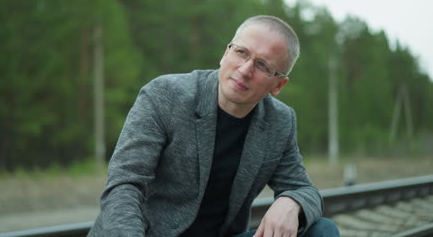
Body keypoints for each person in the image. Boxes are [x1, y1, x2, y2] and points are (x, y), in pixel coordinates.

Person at [89, 15, 339, 237]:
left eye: (263, 65)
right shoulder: (166, 95)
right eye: (241, 52)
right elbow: (124, 185)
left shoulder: (280, 121)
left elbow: (303, 188)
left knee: (322, 230)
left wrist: (292, 200)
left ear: (278, 86)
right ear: (226, 52)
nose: (245, 70)